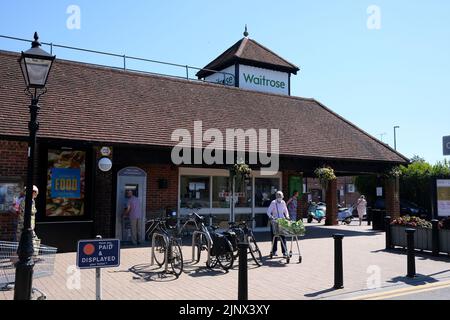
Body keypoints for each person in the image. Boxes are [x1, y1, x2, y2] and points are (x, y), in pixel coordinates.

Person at [16, 185, 40, 249]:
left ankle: (32, 256)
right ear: (33, 192)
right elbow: (29, 212)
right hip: (25, 225)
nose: (36, 194)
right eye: (35, 192)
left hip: (28, 225)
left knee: (26, 241)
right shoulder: (27, 200)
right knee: (33, 241)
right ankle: (33, 257)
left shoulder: (30, 200)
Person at [267, 191, 290, 257]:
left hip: (282, 222)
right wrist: (271, 217)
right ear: (276, 197)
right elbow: (268, 211)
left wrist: (287, 216)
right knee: (274, 237)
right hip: (275, 222)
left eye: (280, 196)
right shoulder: (273, 203)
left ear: (282, 197)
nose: (279, 198)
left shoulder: (283, 202)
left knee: (283, 237)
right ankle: (274, 251)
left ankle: (284, 252)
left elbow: (286, 210)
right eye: (278, 196)